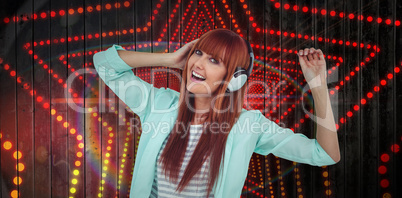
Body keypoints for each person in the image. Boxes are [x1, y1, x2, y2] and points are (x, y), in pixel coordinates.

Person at [93, 28, 340, 198]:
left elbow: (325, 154)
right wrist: (171, 58)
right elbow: (104, 64)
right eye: (198, 53)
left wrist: (317, 84)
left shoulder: (248, 125)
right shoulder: (158, 104)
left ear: (234, 78)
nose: (198, 63)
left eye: (214, 60)